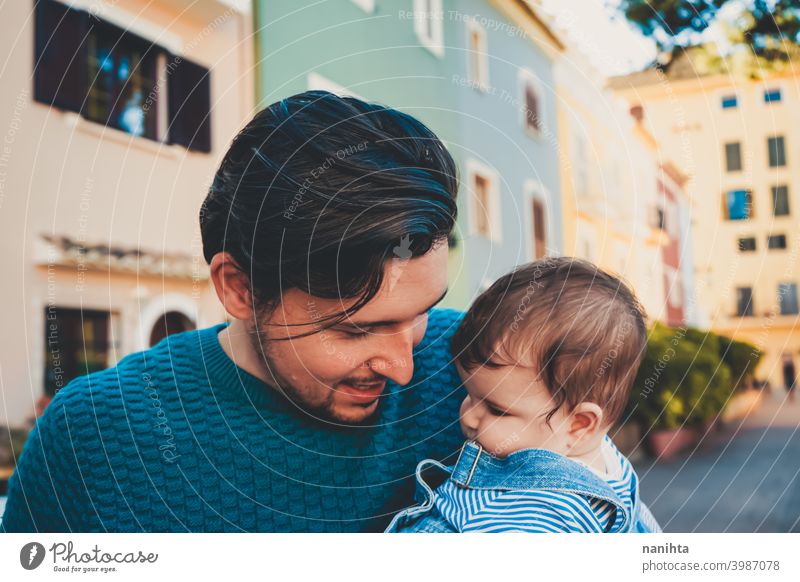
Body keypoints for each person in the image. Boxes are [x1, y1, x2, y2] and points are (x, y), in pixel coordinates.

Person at [1, 91, 466, 532]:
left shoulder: (487, 366)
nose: (405, 369)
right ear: (239, 289)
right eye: (357, 331)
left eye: (422, 312)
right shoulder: (92, 436)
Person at [386, 258, 663, 533]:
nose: (469, 416)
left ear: (579, 425)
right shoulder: (614, 470)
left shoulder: (542, 514)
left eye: (496, 409)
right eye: (468, 393)